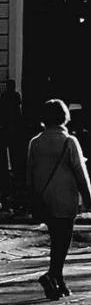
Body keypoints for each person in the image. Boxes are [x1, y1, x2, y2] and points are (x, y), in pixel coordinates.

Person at [26, 97, 91, 301]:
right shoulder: (69, 142)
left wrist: (32, 198)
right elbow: (80, 172)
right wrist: (88, 198)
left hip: (43, 197)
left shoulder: (35, 142)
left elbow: (28, 174)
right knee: (62, 241)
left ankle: (58, 280)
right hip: (66, 198)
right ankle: (51, 275)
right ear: (65, 117)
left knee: (55, 238)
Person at [0, 80, 26, 215]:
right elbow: (17, 110)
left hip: (8, 130)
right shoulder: (14, 96)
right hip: (13, 130)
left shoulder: (5, 96)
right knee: (13, 162)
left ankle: (9, 198)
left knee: (9, 163)